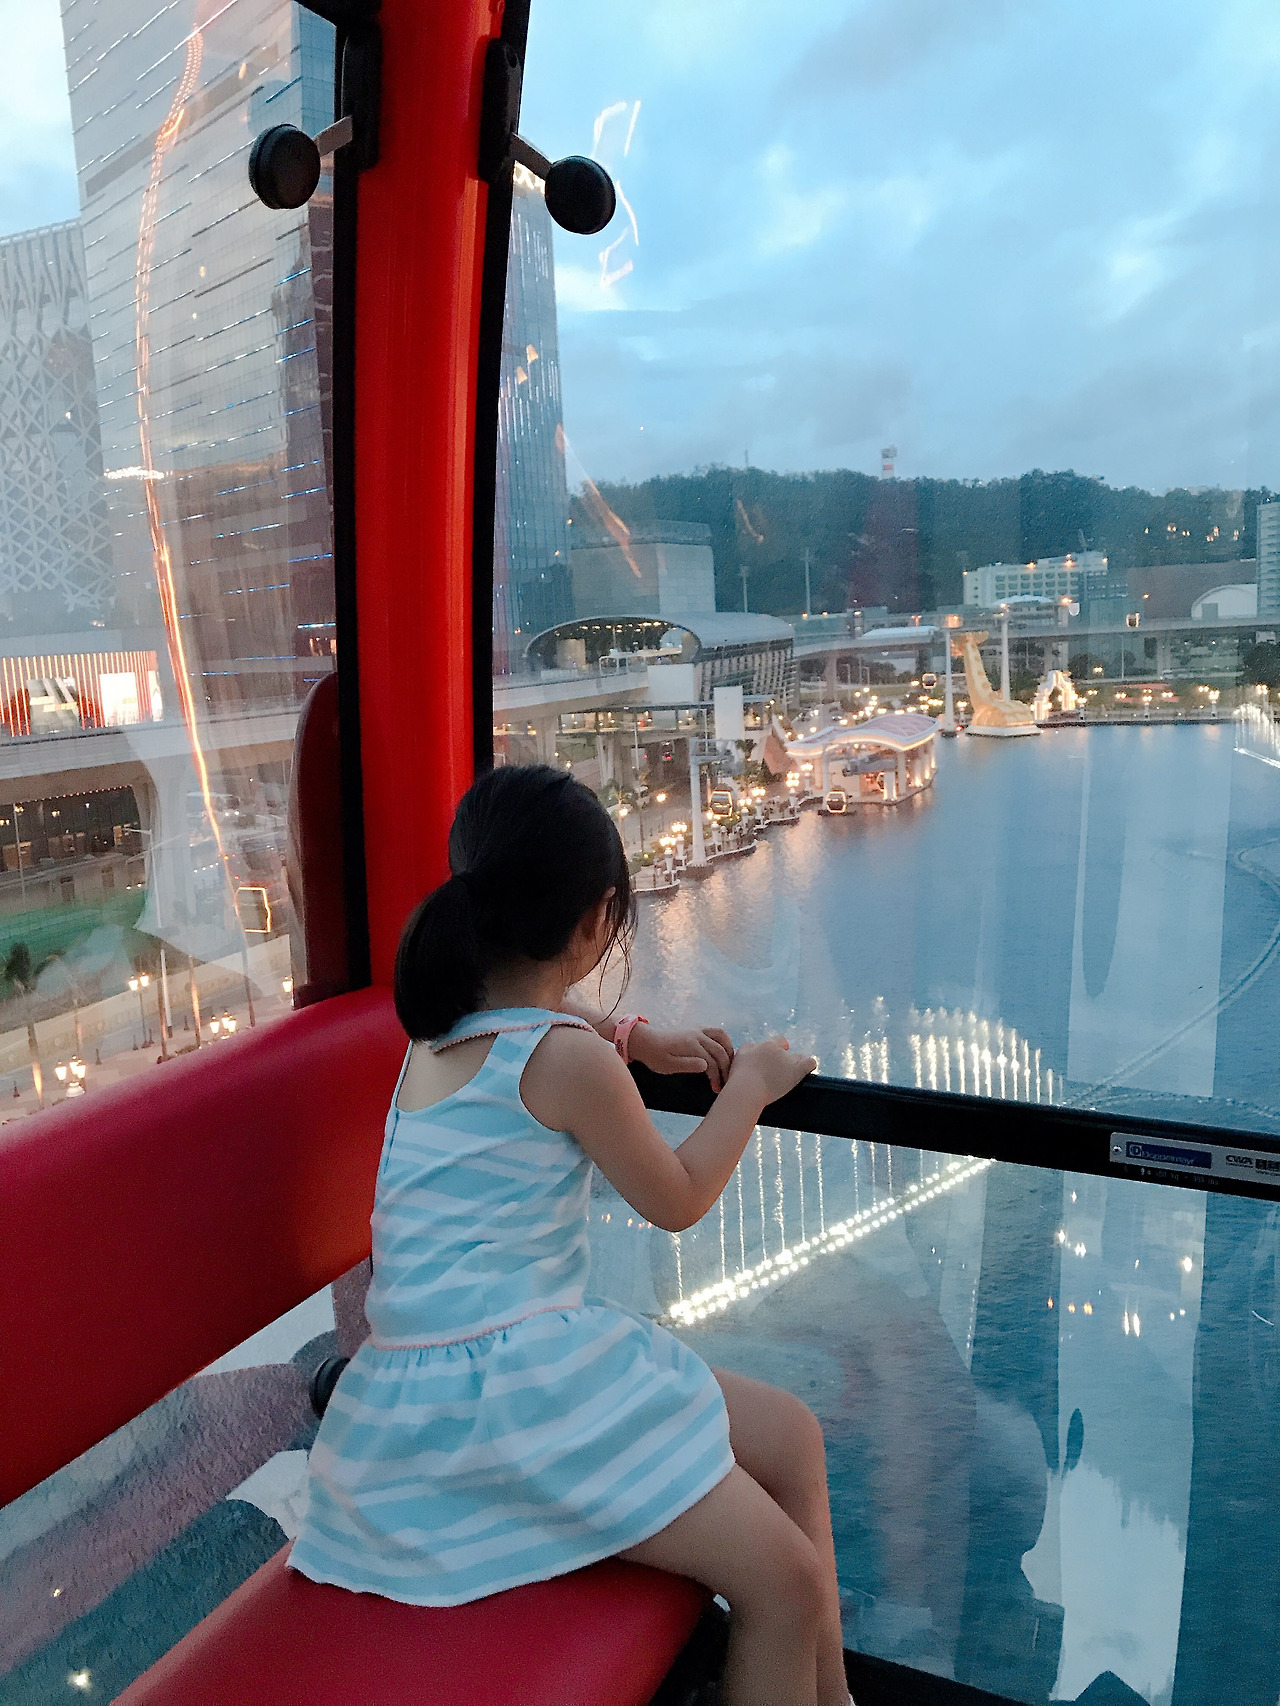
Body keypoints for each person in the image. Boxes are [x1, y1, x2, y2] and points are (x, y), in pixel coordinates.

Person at [290, 765, 851, 1706]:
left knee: (790, 1437)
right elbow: (678, 1198)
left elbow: (539, 1021)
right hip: (514, 1402)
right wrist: (750, 1085)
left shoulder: (435, 1039)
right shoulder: (570, 1062)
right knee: (785, 1588)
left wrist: (632, 1036)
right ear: (597, 923)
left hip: (420, 1395)